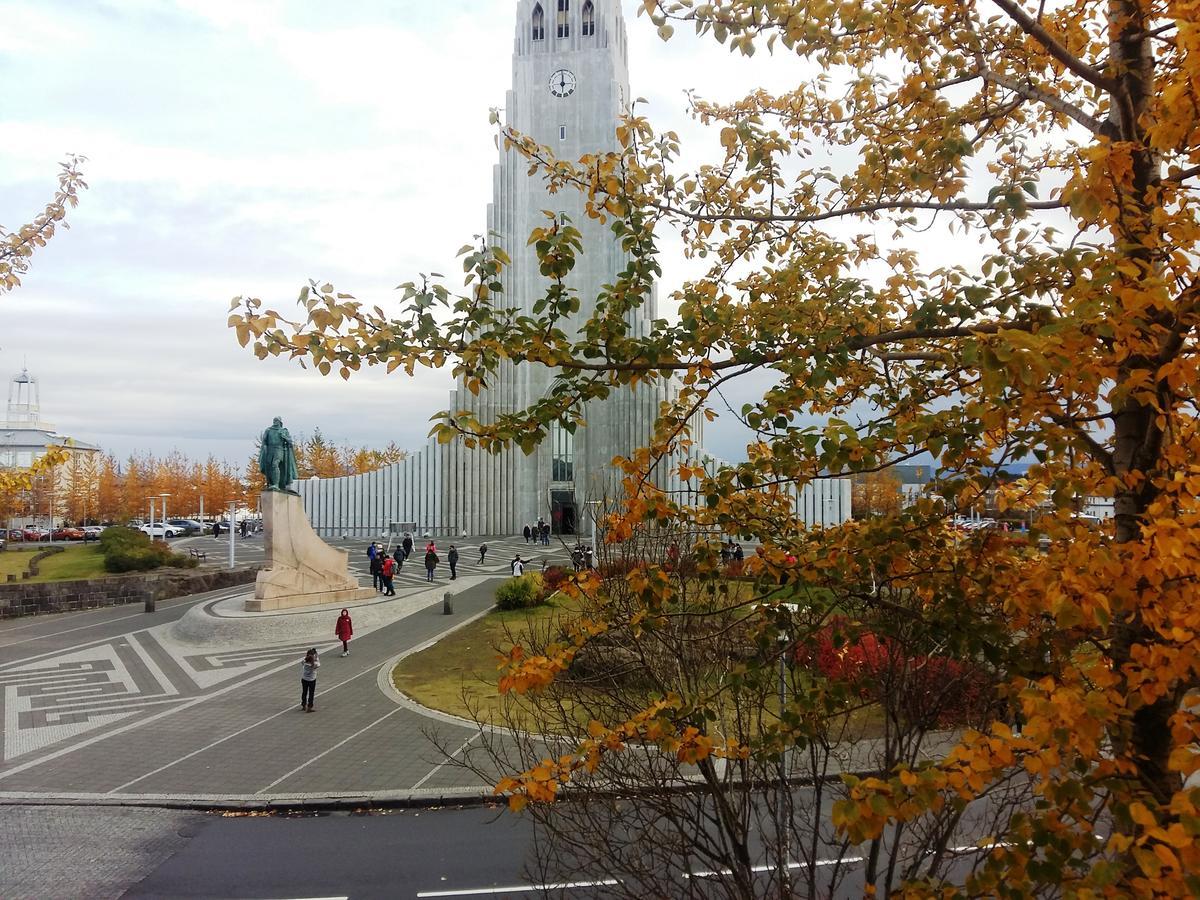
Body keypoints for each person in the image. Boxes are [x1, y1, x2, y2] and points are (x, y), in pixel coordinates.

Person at [258, 416, 299, 492]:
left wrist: (284, 437)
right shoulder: (268, 430)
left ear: (280, 422)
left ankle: (276, 484)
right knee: (269, 467)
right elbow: (264, 441)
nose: (275, 422)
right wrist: (264, 449)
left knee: (275, 464)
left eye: (277, 420)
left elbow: (290, 442)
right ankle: (272, 483)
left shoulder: (283, 431)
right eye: (274, 420)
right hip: (270, 450)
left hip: (279, 449)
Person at [300, 648, 320, 712]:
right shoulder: (315, 665)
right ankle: (310, 706)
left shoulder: (304, 662)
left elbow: (305, 659)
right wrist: (316, 655)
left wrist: (309, 656)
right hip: (312, 680)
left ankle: (303, 705)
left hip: (304, 679)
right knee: (311, 693)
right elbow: (318, 662)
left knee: (304, 692)